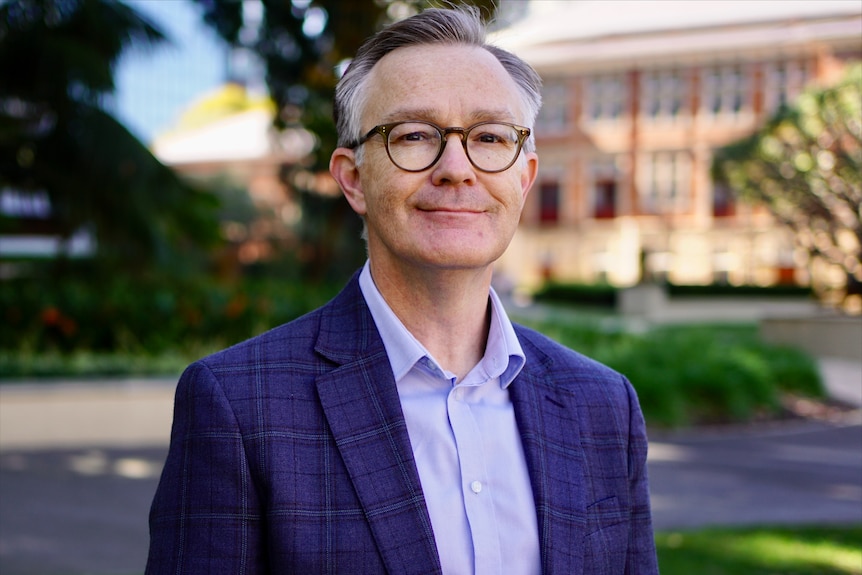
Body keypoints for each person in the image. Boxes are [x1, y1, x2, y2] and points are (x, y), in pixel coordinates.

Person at [146, 6, 658, 574]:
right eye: (414, 136)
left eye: (490, 137)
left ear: (524, 176)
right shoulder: (238, 405)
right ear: (354, 178)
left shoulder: (604, 405)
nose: (456, 168)